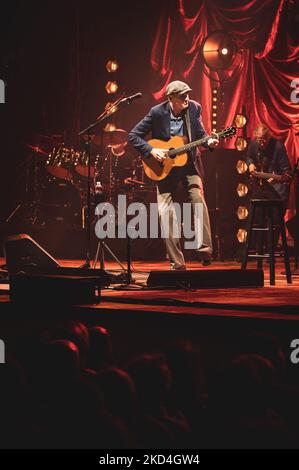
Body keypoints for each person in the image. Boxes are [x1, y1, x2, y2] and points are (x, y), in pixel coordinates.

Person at [128, 80, 218, 270]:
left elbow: (201, 135)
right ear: (171, 99)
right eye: (182, 96)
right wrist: (151, 150)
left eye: (188, 95)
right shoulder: (157, 112)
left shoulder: (194, 108)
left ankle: (205, 249)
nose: (187, 99)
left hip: (190, 166)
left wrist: (208, 142)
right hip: (165, 168)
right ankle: (177, 262)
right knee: (165, 211)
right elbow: (133, 136)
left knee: (198, 199)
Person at [246, 123, 291, 204]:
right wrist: (250, 164)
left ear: (269, 137)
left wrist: (277, 179)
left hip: (276, 190)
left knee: (275, 215)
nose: (262, 144)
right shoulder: (254, 143)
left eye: (264, 140)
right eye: (259, 141)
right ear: (256, 138)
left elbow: (287, 173)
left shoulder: (278, 146)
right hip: (259, 187)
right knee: (254, 213)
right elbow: (249, 157)